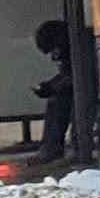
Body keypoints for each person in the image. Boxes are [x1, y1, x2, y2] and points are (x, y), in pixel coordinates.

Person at [31, 19, 73, 164]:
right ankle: (50, 147)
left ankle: (52, 147)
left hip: (88, 89)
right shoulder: (69, 49)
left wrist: (52, 87)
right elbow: (67, 75)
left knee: (59, 101)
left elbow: (75, 77)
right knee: (56, 100)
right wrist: (49, 86)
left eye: (54, 50)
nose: (54, 56)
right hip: (79, 88)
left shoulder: (78, 50)